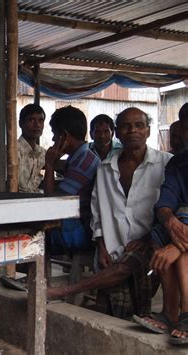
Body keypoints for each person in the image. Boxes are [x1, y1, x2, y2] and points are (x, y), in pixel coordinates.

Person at [48, 107, 173, 319]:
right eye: (126, 126)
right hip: (113, 245)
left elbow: (171, 208)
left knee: (128, 267)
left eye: (139, 125)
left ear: (148, 131)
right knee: (115, 310)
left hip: (150, 244)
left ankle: (65, 290)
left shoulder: (166, 164)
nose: (132, 130)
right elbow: (97, 212)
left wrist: (148, 237)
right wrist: (102, 244)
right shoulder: (106, 168)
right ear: (118, 132)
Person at [133, 102, 188, 344]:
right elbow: (165, 201)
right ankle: (169, 314)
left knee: (182, 249)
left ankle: (185, 313)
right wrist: (169, 220)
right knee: (162, 232)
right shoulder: (179, 163)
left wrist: (178, 245)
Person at [44, 106, 99, 252]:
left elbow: (53, 205)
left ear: (64, 136)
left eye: (55, 134)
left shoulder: (84, 161)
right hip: (78, 226)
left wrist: (49, 165)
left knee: (28, 233)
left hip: (81, 232)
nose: (53, 139)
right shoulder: (81, 156)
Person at [17, 104, 46, 193]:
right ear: (20, 123)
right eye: (31, 120)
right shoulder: (13, 150)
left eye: (41, 121)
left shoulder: (42, 152)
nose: (37, 125)